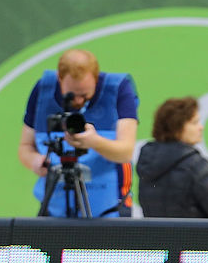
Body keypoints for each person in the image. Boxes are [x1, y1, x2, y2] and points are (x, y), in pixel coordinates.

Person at [17, 48, 138, 218]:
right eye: (71, 96)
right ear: (60, 78)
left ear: (96, 79)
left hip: (108, 209)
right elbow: (25, 147)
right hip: (55, 208)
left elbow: (126, 152)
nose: (79, 102)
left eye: (85, 95)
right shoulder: (42, 90)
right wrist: (36, 161)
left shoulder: (118, 89)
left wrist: (95, 141)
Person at [137, 96, 208, 218]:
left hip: (155, 237)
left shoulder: (146, 162)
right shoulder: (194, 164)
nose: (201, 127)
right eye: (194, 122)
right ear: (176, 128)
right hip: (195, 236)